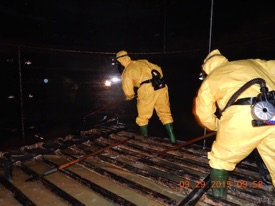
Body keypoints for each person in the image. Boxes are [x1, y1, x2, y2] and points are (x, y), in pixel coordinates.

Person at [193, 49, 275, 198]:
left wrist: (218, 126)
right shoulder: (252, 62)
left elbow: (203, 114)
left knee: (220, 160)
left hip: (243, 115)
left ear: (207, 68)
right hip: (272, 108)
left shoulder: (211, 79)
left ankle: (218, 198)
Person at [116, 50, 176, 144]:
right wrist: (157, 79)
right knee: (165, 113)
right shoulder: (142, 61)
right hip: (161, 86)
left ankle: (144, 141)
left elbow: (128, 91)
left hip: (146, 89)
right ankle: (173, 140)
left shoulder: (127, 71)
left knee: (143, 117)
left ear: (120, 61)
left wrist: (129, 96)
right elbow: (158, 68)